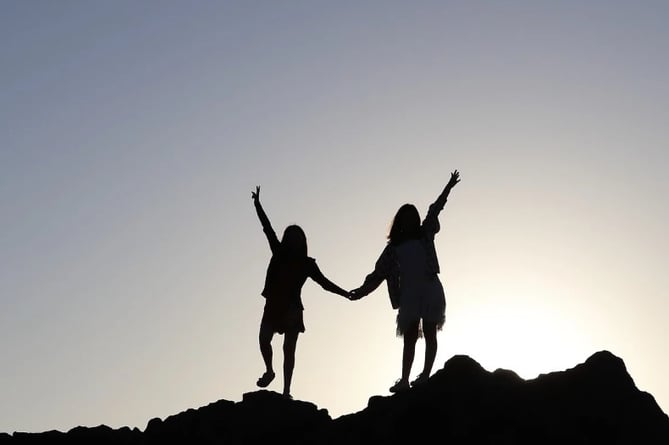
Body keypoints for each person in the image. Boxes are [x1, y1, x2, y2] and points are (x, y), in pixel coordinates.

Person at [349, 170, 461, 393]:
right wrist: (360, 291)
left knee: (430, 331)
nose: (410, 221)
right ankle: (404, 380)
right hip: (409, 293)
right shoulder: (393, 249)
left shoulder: (425, 233)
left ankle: (426, 375)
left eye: (413, 218)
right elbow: (378, 274)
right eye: (406, 219)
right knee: (410, 337)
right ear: (400, 223)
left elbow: (435, 208)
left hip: (430, 287)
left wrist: (448, 187)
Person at [252, 185, 349, 399]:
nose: (294, 239)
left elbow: (325, 283)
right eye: (291, 235)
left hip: (293, 309)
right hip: (274, 305)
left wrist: (345, 293)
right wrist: (258, 205)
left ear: (303, 241)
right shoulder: (278, 252)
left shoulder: (307, 264)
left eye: (298, 236)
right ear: (287, 239)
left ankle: (287, 391)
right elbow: (267, 229)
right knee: (263, 339)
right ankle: (269, 371)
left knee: (289, 351)